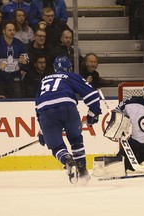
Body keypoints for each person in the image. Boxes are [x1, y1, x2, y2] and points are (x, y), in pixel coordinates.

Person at [36, 56, 101, 184]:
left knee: (56, 146)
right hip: (68, 108)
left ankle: (67, 160)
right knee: (76, 139)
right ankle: (82, 171)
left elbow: (38, 105)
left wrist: (43, 130)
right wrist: (93, 113)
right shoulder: (70, 76)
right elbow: (92, 95)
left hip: (45, 112)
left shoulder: (44, 80)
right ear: (69, 68)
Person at [0, 20, 29, 98]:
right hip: (0, 80)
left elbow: (26, 59)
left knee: (17, 101)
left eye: (13, 30)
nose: (12, 32)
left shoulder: (19, 44)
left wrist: (24, 62)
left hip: (15, 79)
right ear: (3, 31)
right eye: (9, 30)